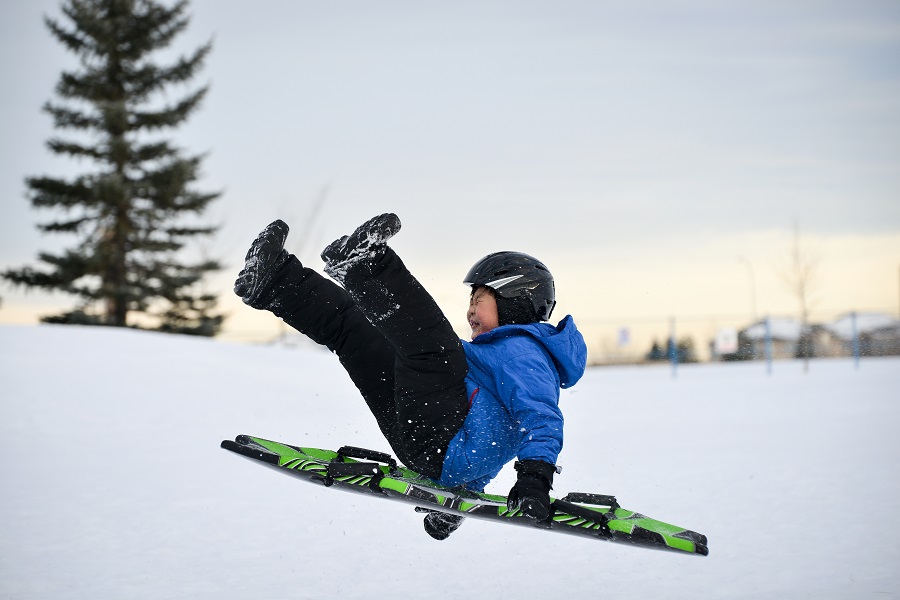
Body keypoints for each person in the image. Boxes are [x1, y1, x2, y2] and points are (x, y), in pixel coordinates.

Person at [234, 213, 587, 540]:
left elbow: (541, 420)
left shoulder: (526, 354)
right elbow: (490, 441)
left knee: (437, 347)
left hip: (439, 437)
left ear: (515, 300)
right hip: (425, 442)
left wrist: (534, 479)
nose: (470, 310)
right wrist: (458, 499)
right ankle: (273, 281)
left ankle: (366, 265)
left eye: (479, 298)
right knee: (356, 333)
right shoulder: (498, 355)